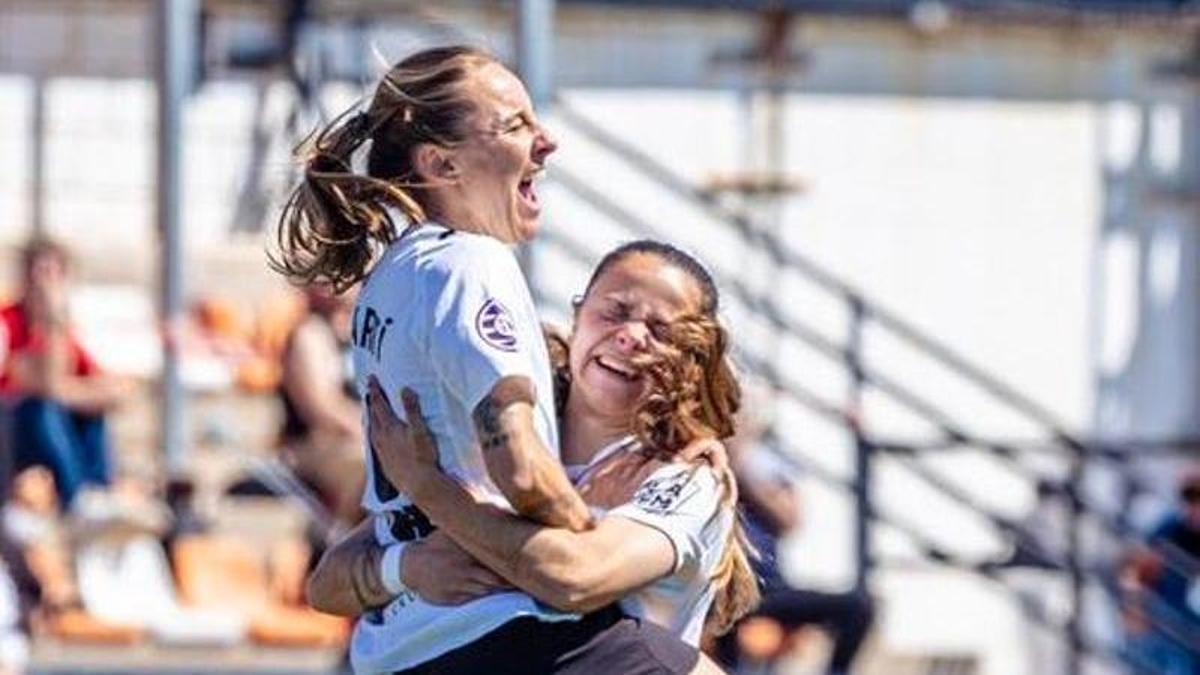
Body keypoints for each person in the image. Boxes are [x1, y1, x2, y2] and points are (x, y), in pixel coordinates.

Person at [272, 45, 719, 673]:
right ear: (441, 164)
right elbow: (523, 471)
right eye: (515, 125)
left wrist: (423, 523)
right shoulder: (470, 263)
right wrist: (567, 532)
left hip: (407, 654)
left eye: (661, 329)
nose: (548, 141)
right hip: (519, 640)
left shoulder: (389, 284)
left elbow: (345, 569)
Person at [310, 241, 759, 658]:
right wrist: (405, 567)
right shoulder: (505, 440)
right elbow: (328, 584)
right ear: (578, 317)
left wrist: (430, 490)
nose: (631, 336)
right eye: (615, 312)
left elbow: (575, 578)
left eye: (662, 331)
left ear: (694, 359)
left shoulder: (686, 477)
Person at [716, 429, 875, 675]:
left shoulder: (763, 462)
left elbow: (789, 521)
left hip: (769, 591)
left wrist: (743, 475)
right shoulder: (708, 469)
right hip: (728, 591)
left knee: (857, 607)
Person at [0, 237, 128, 510]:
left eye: (53, 273)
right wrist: (52, 320)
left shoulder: (67, 333)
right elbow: (37, 380)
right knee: (43, 408)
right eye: (39, 272)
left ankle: (96, 496)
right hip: (13, 429)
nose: (46, 283)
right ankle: (77, 501)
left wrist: (67, 391)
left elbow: (112, 390)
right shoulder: (7, 321)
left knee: (89, 413)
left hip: (50, 421)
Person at [277, 283, 364, 525]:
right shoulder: (311, 334)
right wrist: (371, 431)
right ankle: (350, 545)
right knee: (368, 466)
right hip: (317, 444)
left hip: (363, 436)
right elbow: (321, 406)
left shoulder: (365, 329)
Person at [1120, 471, 1200, 675]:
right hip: (1174, 624)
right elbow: (1136, 571)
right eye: (1191, 498)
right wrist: (1135, 609)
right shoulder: (1169, 529)